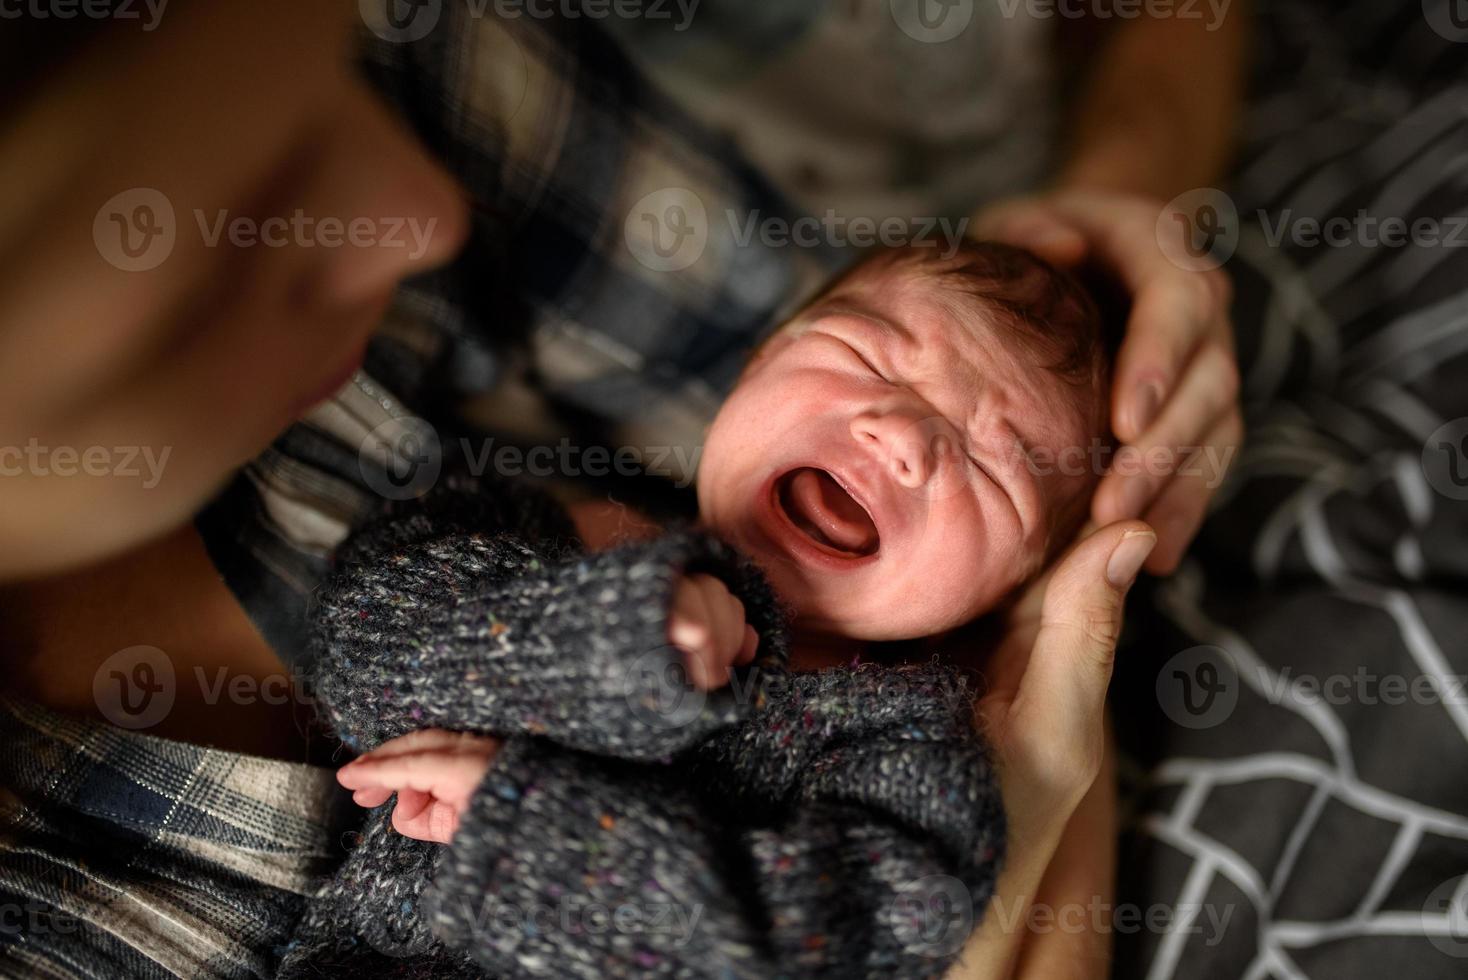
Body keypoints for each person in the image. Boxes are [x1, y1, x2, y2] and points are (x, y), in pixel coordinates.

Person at [0, 4, 1239, 977]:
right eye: (863, 361)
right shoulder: (570, 542)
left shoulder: (900, 737)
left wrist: (548, 845)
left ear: (1020, 580)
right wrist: (598, 642)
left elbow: (865, 921)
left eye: (994, 466)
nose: (903, 437)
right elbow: (380, 634)